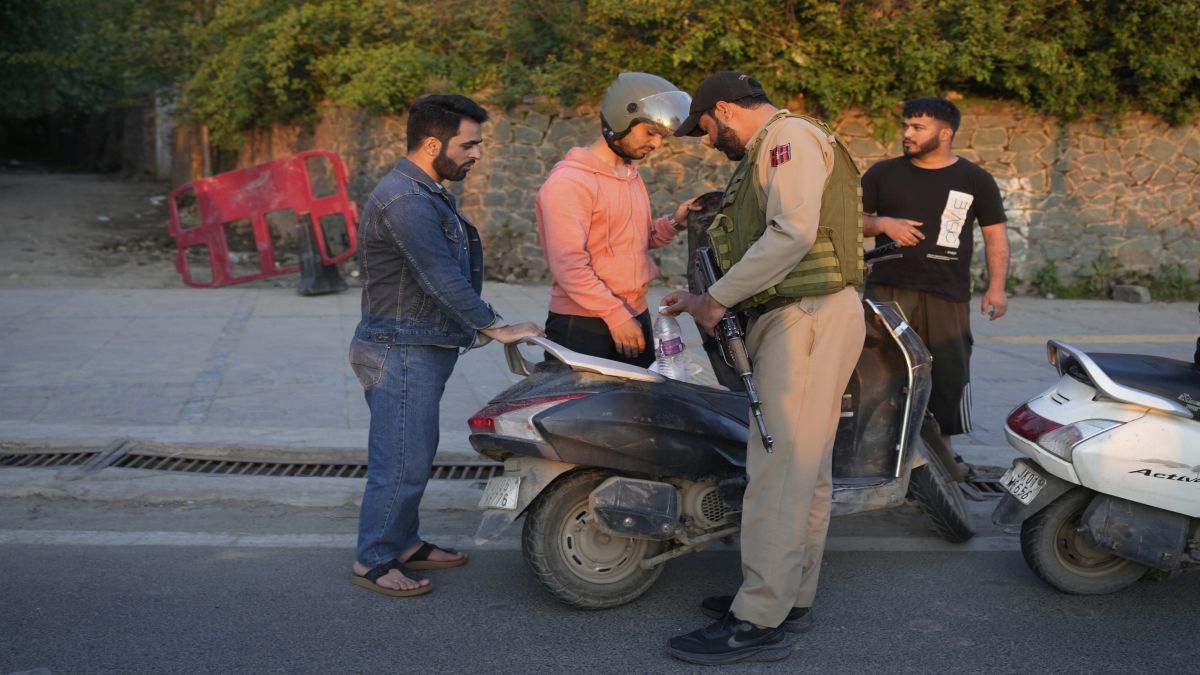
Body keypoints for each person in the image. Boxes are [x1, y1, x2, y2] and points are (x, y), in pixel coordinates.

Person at [660, 71, 866, 665]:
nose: (707, 141)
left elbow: (792, 233)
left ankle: (757, 619)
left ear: (725, 110)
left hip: (804, 317)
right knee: (804, 468)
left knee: (779, 469)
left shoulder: (786, 140)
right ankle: (786, 598)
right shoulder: (786, 140)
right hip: (811, 313)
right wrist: (704, 295)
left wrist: (715, 299)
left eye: (705, 128)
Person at [347, 94, 542, 597]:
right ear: (433, 142)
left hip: (416, 344)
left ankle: (404, 541)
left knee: (415, 452)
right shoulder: (407, 200)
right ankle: (374, 559)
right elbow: (439, 275)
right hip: (400, 349)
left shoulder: (423, 189)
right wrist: (494, 325)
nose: (477, 154)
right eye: (469, 144)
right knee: (401, 459)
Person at [861, 96, 1010, 468]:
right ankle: (878, 452)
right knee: (880, 371)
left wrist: (997, 287)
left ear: (945, 133)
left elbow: (995, 236)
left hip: (947, 292)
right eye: (906, 125)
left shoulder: (975, 179)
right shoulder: (883, 173)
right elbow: (851, 219)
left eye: (917, 127)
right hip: (888, 289)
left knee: (948, 372)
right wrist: (883, 224)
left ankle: (942, 456)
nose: (906, 133)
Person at [536, 72, 700, 367]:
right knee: (581, 413)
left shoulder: (629, 175)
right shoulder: (569, 182)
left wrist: (675, 222)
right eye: (650, 132)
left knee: (638, 411)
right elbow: (569, 264)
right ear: (621, 118)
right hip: (584, 323)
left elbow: (637, 238)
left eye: (661, 136)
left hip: (632, 314)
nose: (657, 144)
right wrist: (615, 315)